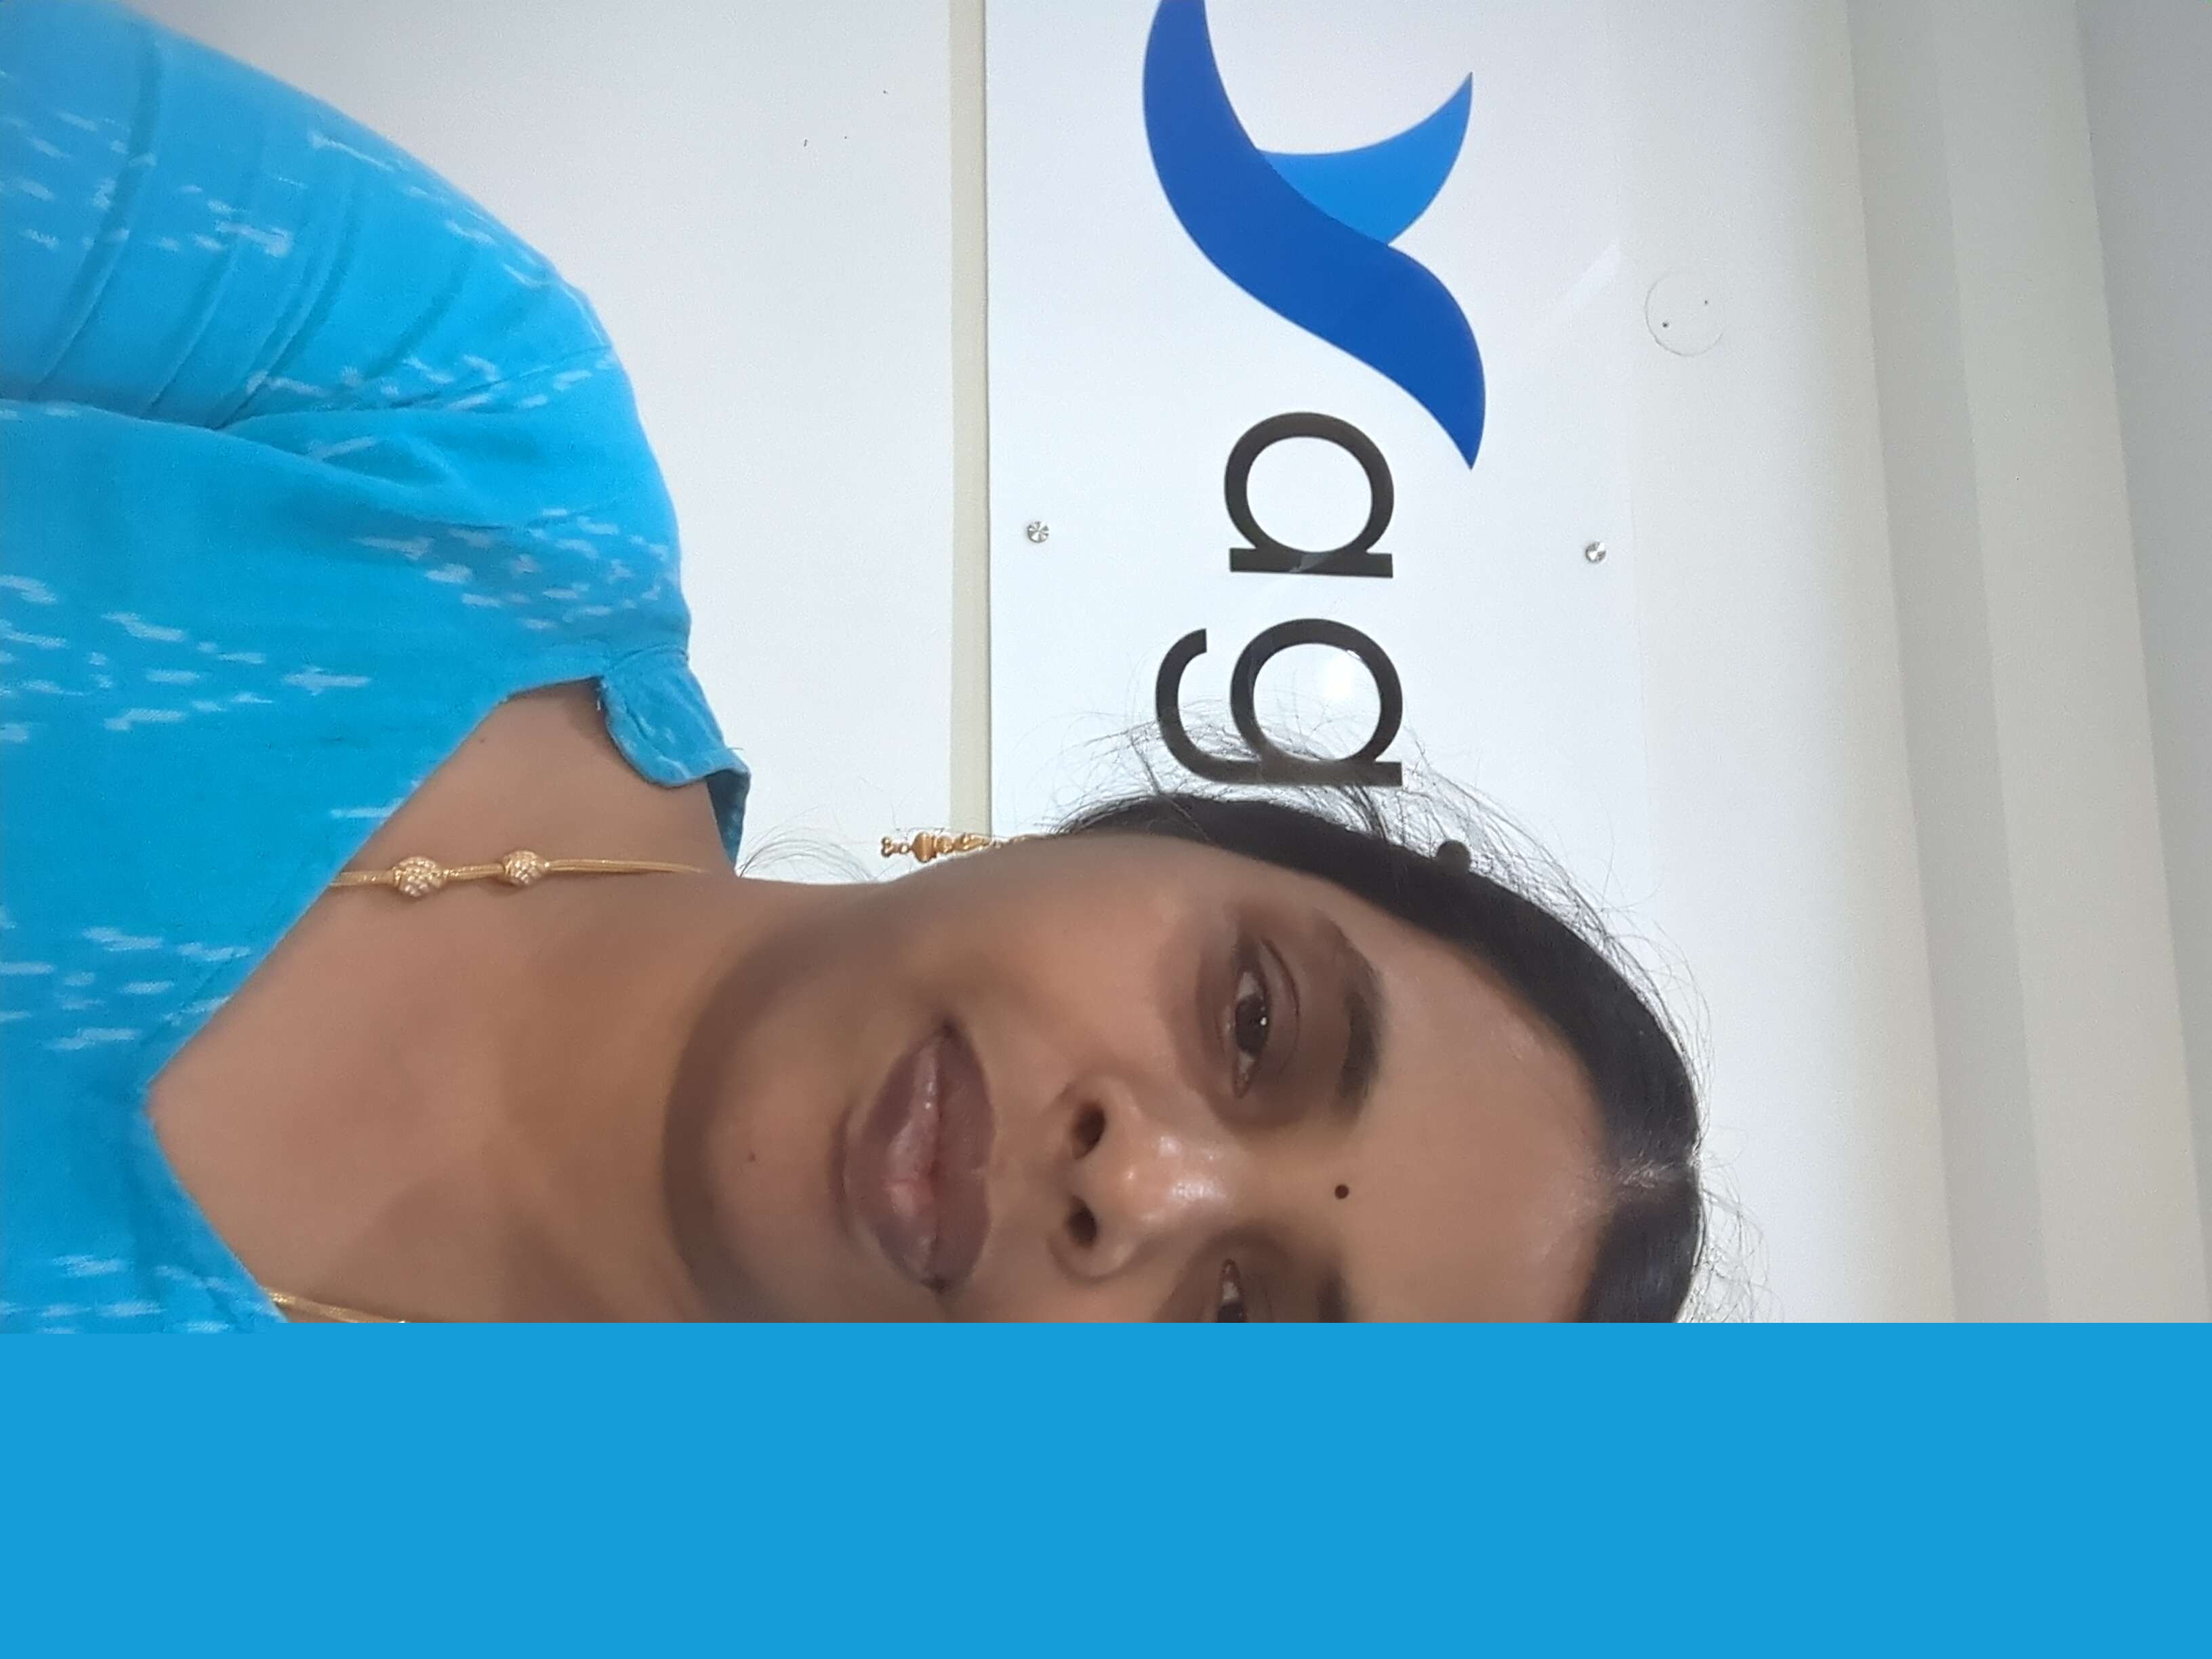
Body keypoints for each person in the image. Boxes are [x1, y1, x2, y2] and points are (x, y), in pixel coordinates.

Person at [0, 0, 1701, 1328]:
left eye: (1240, 1324)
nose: (1140, 1183)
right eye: (1255, 1021)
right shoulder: (471, 413)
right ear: (1167, 833)